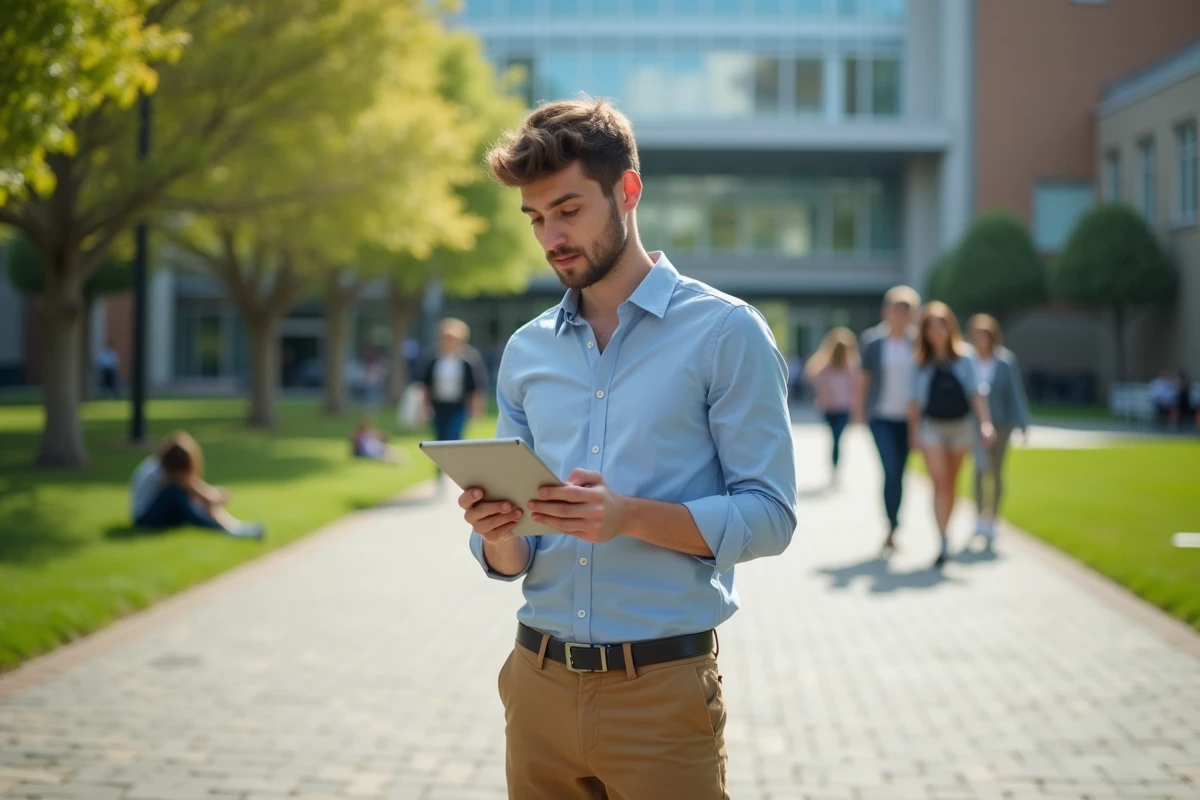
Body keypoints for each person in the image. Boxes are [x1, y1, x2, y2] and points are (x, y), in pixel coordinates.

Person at [459, 98, 797, 799]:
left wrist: (628, 517)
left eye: (568, 209)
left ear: (628, 190)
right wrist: (497, 533)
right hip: (536, 689)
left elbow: (770, 516)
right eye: (535, 218)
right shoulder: (525, 352)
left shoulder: (726, 333)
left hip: (661, 696)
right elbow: (516, 554)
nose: (551, 236)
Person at [909, 302, 995, 568]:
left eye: (941, 325)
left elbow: (976, 393)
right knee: (939, 481)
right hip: (932, 427)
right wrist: (914, 434)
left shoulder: (965, 357)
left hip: (960, 427)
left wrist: (985, 424)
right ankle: (943, 538)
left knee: (952, 483)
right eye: (931, 326)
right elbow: (914, 402)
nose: (937, 331)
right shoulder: (920, 361)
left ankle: (948, 530)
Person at [856, 285, 919, 555]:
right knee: (890, 469)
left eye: (906, 309)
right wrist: (858, 412)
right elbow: (864, 378)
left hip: (909, 420)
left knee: (900, 474)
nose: (901, 314)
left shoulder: (917, 342)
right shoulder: (874, 342)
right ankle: (891, 524)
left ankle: (894, 527)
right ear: (887, 311)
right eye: (896, 308)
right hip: (880, 417)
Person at [967, 314, 1031, 549]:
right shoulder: (968, 360)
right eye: (977, 335)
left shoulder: (1004, 361)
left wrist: (1022, 422)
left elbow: (1015, 393)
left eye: (985, 335)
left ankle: (992, 518)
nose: (981, 340)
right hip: (975, 424)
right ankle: (978, 516)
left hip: (1002, 424)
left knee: (996, 471)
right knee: (979, 470)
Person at [129, 431, 265, 539]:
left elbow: (190, 484)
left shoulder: (165, 467)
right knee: (175, 493)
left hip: (161, 512)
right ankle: (222, 528)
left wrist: (211, 494)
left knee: (189, 498)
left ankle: (234, 527)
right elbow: (190, 485)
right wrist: (210, 496)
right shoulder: (156, 472)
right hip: (145, 518)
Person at [805, 327, 860, 487]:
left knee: (837, 438)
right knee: (835, 438)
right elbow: (816, 379)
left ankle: (835, 468)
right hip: (830, 409)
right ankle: (834, 467)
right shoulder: (825, 366)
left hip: (843, 408)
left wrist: (856, 408)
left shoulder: (851, 367)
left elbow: (855, 388)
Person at [419, 318, 486, 443]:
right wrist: (424, 406)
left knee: (453, 437)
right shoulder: (433, 359)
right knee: (439, 438)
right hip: (438, 405)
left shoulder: (469, 360)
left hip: (459, 406)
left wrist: (476, 410)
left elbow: (476, 387)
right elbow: (426, 385)